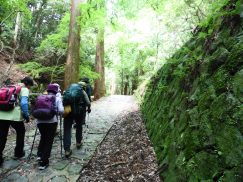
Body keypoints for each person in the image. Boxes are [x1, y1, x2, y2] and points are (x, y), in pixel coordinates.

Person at [0, 77, 34, 165]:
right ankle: (18, 153)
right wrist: (26, 116)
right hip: (14, 116)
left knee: (2, 136)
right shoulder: (24, 89)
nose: (30, 88)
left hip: (2, 115)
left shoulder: (11, 87)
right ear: (28, 84)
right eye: (30, 86)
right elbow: (23, 103)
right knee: (21, 132)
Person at [36, 84, 64, 170]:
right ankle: (44, 162)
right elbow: (61, 110)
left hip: (40, 121)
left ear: (47, 90)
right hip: (51, 122)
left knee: (43, 137)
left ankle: (39, 155)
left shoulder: (40, 97)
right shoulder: (57, 98)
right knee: (49, 141)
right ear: (56, 91)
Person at [63, 83, 91, 158]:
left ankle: (67, 150)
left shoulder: (67, 90)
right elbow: (88, 102)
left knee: (67, 129)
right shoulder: (82, 91)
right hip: (79, 111)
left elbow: (64, 100)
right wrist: (88, 108)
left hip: (68, 110)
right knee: (79, 126)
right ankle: (78, 142)